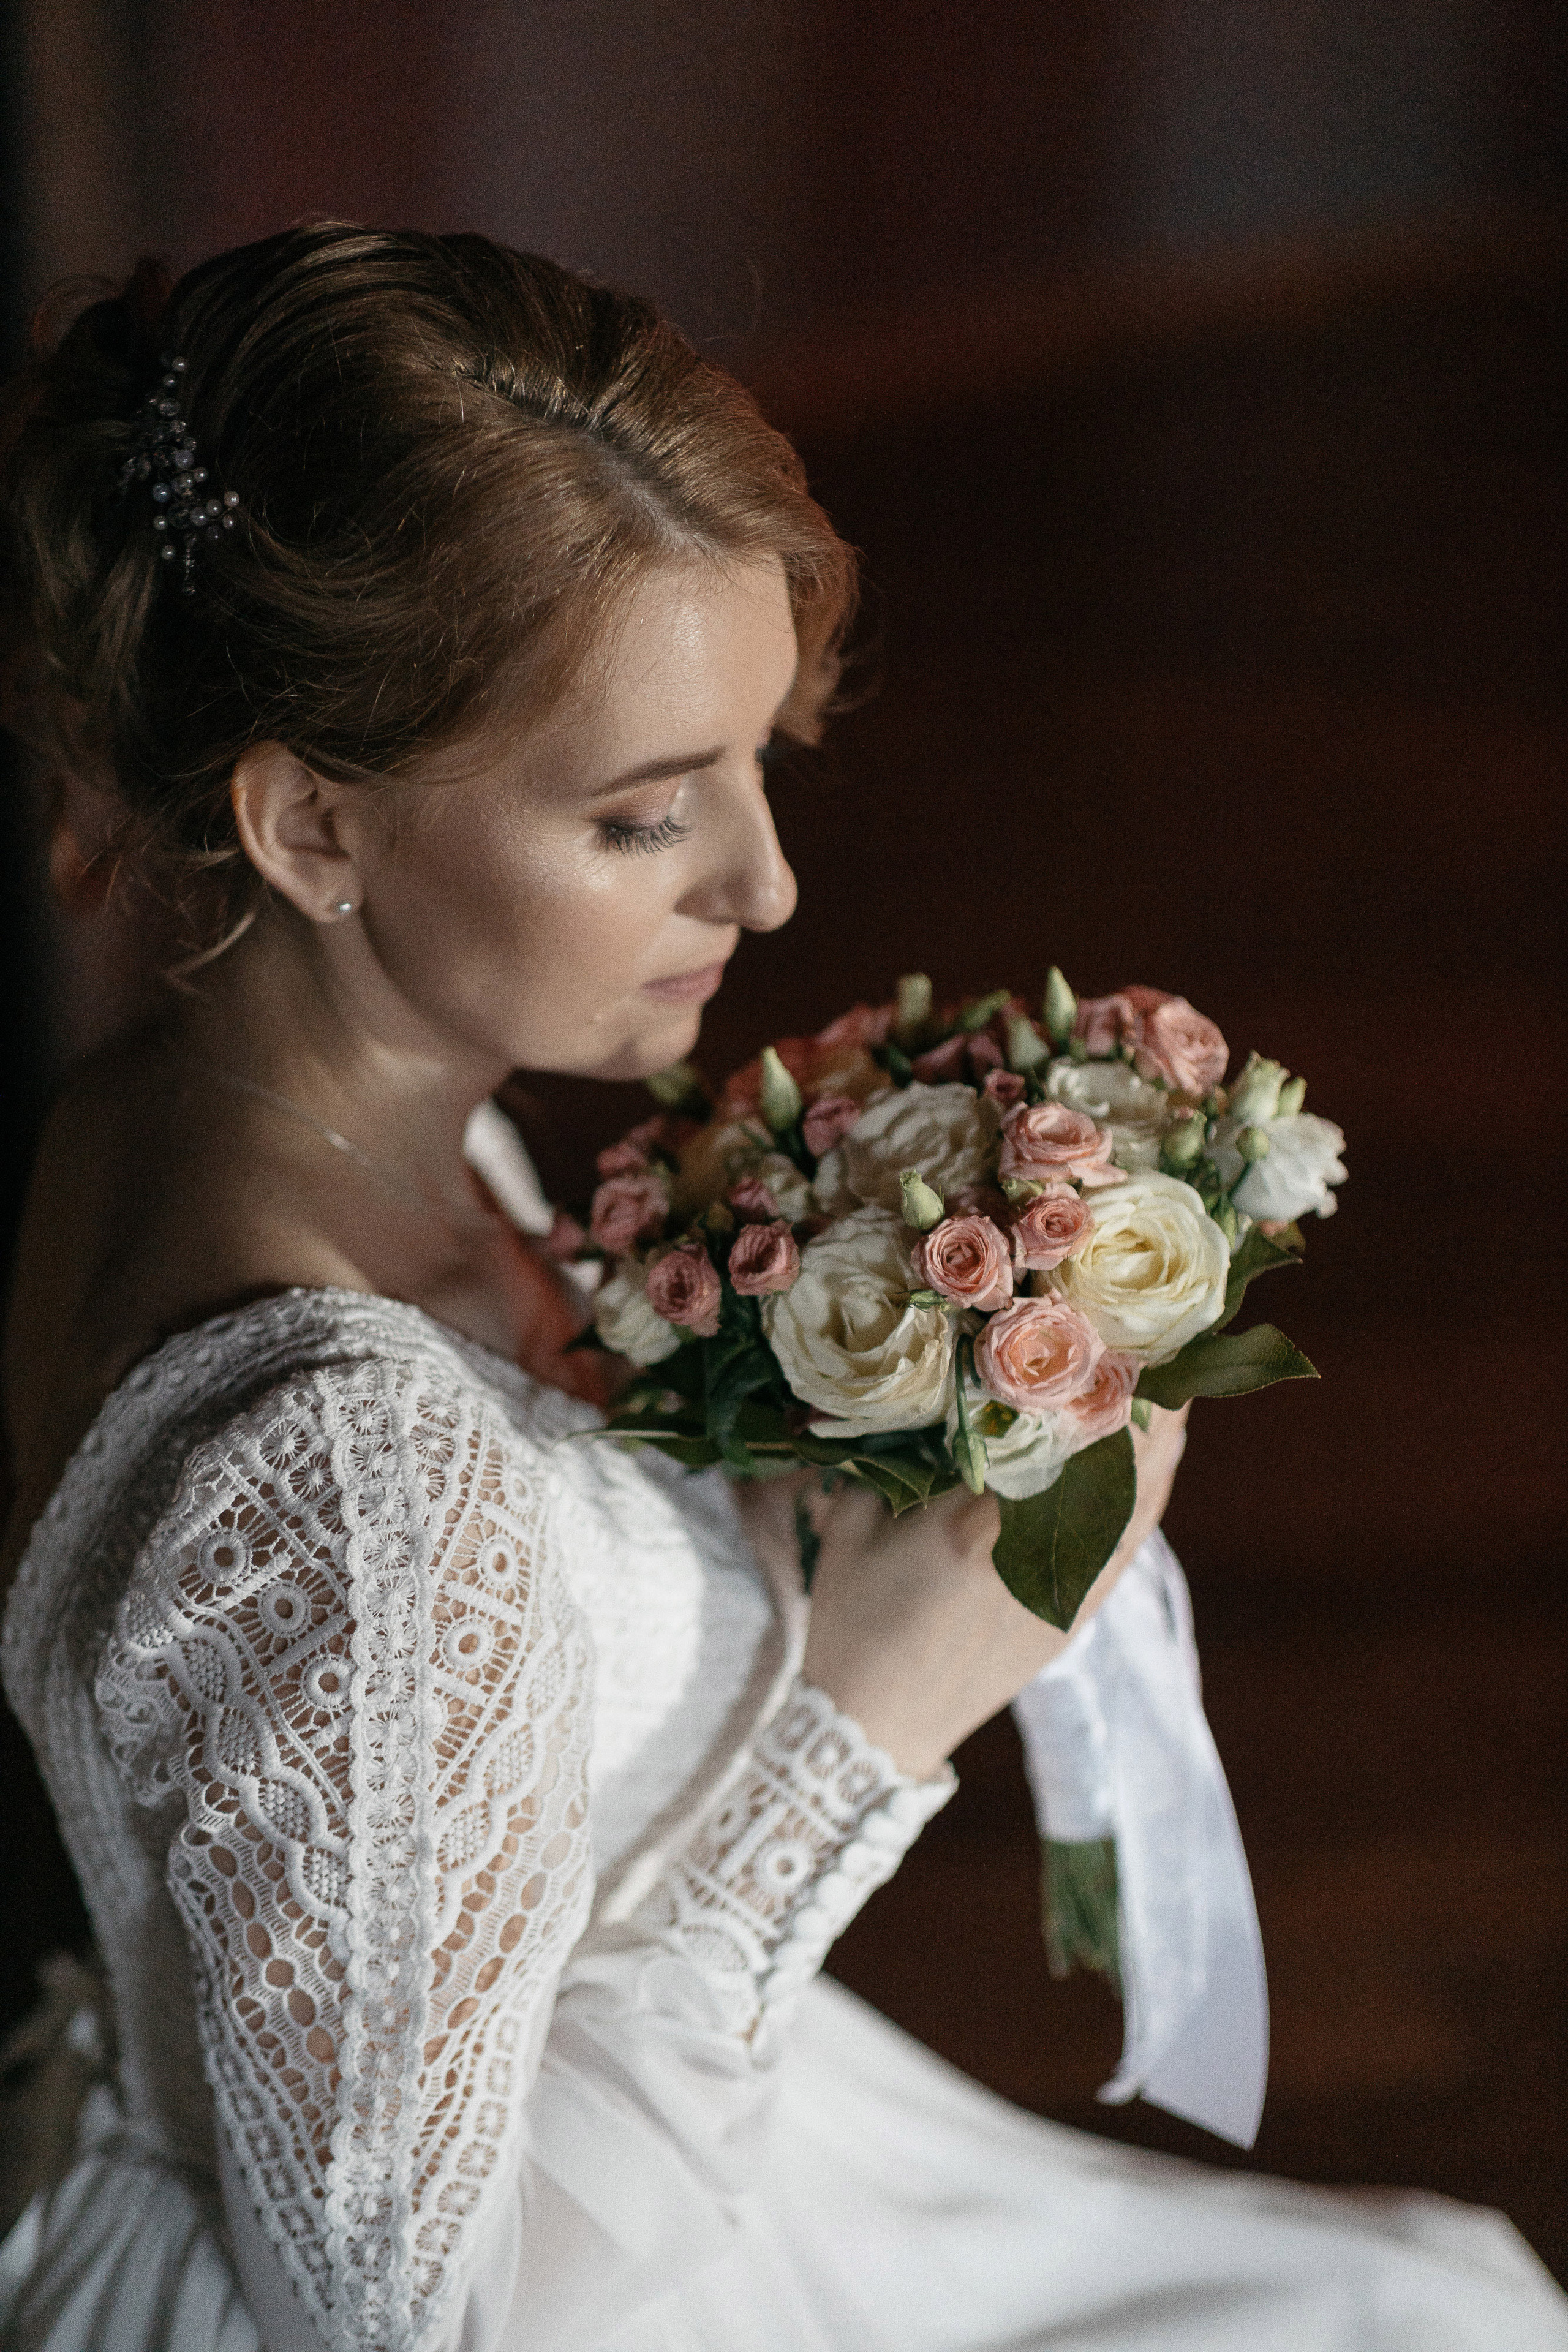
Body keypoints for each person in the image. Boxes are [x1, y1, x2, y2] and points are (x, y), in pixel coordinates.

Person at [0, 226, 1560, 2352]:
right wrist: (880, 1712)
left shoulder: (225, 1102)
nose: (768, 880)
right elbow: (410, 2327)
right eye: (646, 816)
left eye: (755, 762)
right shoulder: (339, 1471)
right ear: (311, 827)